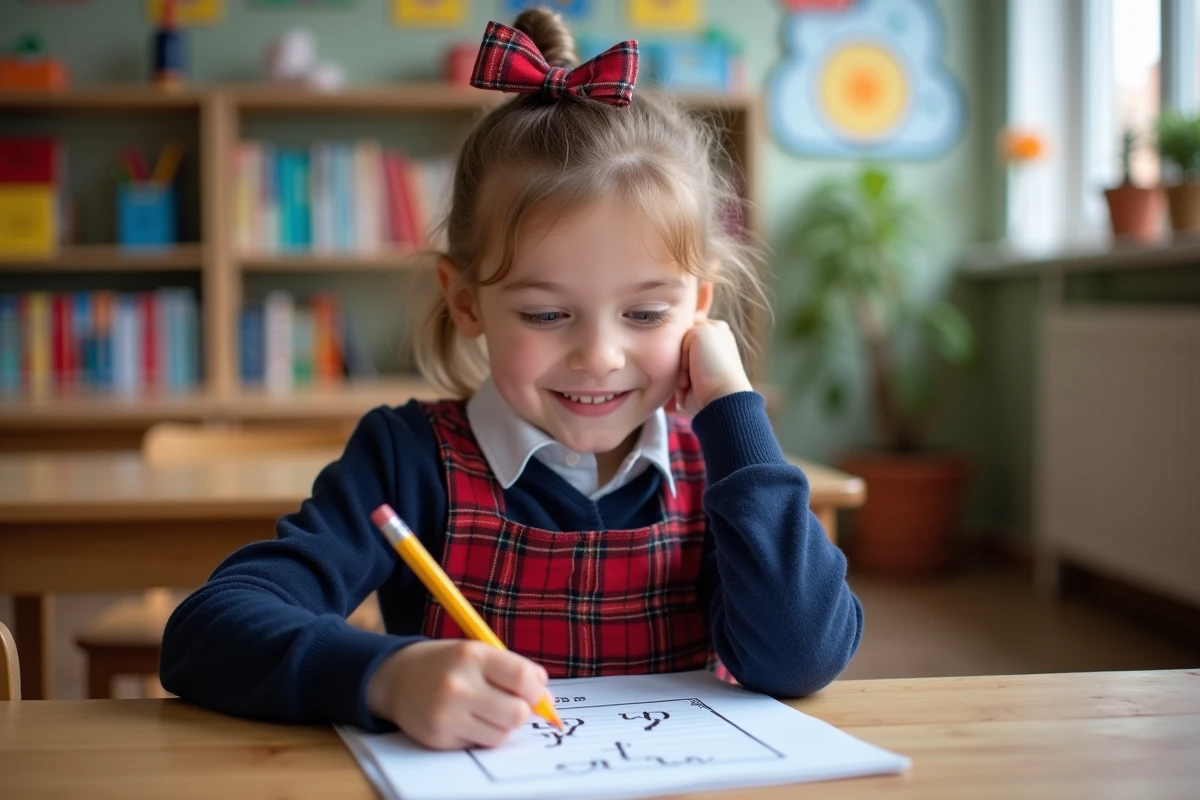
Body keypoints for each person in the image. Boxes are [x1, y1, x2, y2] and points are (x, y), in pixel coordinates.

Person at [160, 8, 863, 751]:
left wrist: (733, 411)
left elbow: (803, 655)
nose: (599, 355)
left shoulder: (715, 463)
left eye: (648, 312)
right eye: (548, 314)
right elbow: (209, 630)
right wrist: (386, 677)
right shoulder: (405, 459)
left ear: (699, 305)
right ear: (466, 302)